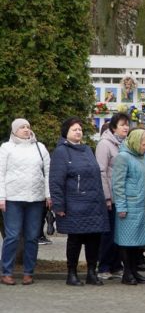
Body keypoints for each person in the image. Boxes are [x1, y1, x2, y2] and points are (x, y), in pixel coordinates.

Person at [49, 118, 110, 286]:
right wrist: (58, 205)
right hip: (74, 203)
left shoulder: (87, 150)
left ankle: (92, 272)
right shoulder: (61, 152)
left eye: (80, 129)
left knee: (94, 239)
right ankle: (72, 273)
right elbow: (56, 181)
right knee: (75, 240)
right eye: (74, 129)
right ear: (66, 133)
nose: (78, 132)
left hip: (93, 204)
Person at [0, 119, 51, 285]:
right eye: (22, 127)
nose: (26, 129)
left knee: (32, 237)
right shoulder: (6, 148)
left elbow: (48, 172)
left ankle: (28, 272)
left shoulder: (39, 147)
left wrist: (48, 195)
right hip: (13, 199)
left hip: (35, 199)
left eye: (28, 127)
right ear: (14, 130)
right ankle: (6, 272)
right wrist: (1, 197)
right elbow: (0, 173)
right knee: (12, 236)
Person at [112, 129, 145, 285]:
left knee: (138, 241)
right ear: (136, 142)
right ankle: (127, 273)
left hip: (143, 205)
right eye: (144, 144)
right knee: (127, 241)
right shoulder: (123, 157)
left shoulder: (143, 155)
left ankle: (134, 271)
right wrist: (121, 207)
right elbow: (117, 184)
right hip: (129, 205)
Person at [95, 112, 130, 280]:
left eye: (127, 124)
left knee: (119, 233)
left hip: (122, 196)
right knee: (108, 234)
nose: (126, 127)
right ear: (114, 127)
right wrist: (106, 197)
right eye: (122, 124)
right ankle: (103, 266)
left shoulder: (124, 144)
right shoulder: (105, 144)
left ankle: (116, 265)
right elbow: (101, 171)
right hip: (110, 197)